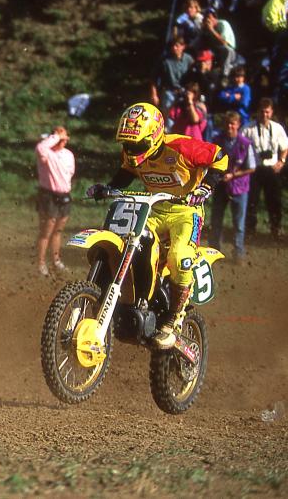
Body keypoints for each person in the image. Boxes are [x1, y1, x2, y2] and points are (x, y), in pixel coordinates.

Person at [87, 102, 228, 349]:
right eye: (127, 143)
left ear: (154, 135)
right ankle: (137, 298)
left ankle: (173, 319)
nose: (131, 149)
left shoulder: (181, 147)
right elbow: (127, 171)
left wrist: (206, 187)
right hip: (154, 209)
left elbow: (219, 157)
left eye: (137, 144)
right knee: (131, 242)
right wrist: (108, 187)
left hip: (187, 212)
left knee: (179, 257)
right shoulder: (132, 154)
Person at [208, 111, 256, 262]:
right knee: (216, 220)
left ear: (238, 125)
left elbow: (252, 167)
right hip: (221, 186)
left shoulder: (245, 143)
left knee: (239, 223)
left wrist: (234, 175)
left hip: (240, 187)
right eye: (227, 123)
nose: (230, 126)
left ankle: (238, 253)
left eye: (233, 124)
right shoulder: (217, 141)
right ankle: (214, 251)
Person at [242, 97, 288, 238]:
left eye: (267, 112)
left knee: (274, 200)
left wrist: (281, 161)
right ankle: (250, 230)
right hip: (255, 169)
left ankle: (276, 229)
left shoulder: (277, 128)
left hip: (272, 168)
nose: (264, 115)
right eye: (262, 112)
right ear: (258, 112)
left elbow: (285, 147)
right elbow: (240, 145)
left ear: (271, 112)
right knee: (252, 200)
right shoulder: (248, 128)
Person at [35, 127, 75, 277]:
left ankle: (56, 260)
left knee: (58, 230)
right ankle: (40, 263)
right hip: (48, 196)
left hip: (64, 196)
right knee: (46, 230)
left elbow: (70, 173)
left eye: (64, 139)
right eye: (60, 139)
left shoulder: (68, 154)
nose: (62, 142)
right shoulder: (46, 153)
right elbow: (40, 147)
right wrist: (55, 137)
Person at [151, 37, 194, 121]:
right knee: (169, 119)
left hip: (184, 92)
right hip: (169, 92)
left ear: (183, 47)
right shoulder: (164, 60)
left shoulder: (188, 59)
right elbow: (154, 78)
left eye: (177, 46)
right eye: (173, 46)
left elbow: (195, 75)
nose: (174, 48)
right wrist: (154, 94)